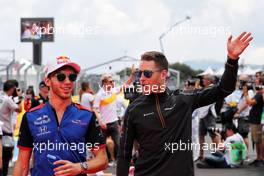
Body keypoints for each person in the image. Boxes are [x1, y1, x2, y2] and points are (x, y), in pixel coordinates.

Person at [116, 32, 253, 176]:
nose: (141, 79)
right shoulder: (134, 109)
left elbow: (224, 89)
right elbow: (124, 154)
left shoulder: (183, 99)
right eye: (139, 74)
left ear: (163, 74)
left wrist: (232, 60)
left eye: (147, 74)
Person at [14, 56, 108, 176]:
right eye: (61, 77)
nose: (68, 82)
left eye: (72, 77)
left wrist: (80, 167)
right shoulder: (31, 117)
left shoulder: (87, 116)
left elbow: (102, 160)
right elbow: (22, 164)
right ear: (48, 81)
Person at [94, 73, 133, 167]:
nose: (113, 83)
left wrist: (132, 75)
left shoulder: (113, 91)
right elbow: (95, 108)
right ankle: (105, 162)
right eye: (110, 81)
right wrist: (100, 121)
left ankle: (124, 163)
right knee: (102, 146)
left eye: (113, 81)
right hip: (104, 124)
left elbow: (125, 85)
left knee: (119, 144)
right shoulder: (99, 95)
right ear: (104, 83)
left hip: (114, 123)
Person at [0, 80, 22, 176]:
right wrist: (18, 96)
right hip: (6, 132)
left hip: (1, 130)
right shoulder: (8, 99)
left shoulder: (1, 97)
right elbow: (19, 109)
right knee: (5, 159)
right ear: (12, 89)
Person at [245, 76, 264, 167]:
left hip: (257, 120)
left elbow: (250, 102)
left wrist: (245, 93)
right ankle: (258, 158)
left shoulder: (260, 94)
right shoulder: (259, 93)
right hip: (255, 120)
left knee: (258, 140)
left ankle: (260, 158)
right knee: (256, 140)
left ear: (260, 83)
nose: (255, 81)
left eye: (257, 79)